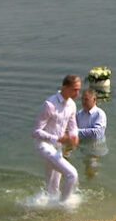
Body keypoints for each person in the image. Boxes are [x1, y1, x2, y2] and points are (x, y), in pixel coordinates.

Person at [33, 74, 81, 202]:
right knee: (72, 174)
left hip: (57, 148)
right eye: (74, 89)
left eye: (78, 90)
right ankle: (62, 205)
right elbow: (35, 131)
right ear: (65, 87)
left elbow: (73, 126)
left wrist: (74, 135)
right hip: (43, 146)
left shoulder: (72, 105)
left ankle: (43, 206)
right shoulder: (49, 105)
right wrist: (58, 138)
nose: (77, 93)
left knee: (52, 188)